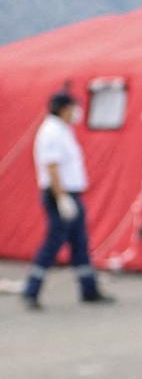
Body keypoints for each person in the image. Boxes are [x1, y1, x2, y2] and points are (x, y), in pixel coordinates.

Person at [22, 91, 113, 310]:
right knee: (54, 242)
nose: (76, 112)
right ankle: (32, 289)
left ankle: (88, 289)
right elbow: (52, 167)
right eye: (73, 107)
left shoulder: (63, 130)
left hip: (71, 194)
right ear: (63, 108)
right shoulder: (51, 132)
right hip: (59, 195)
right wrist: (62, 198)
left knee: (79, 243)